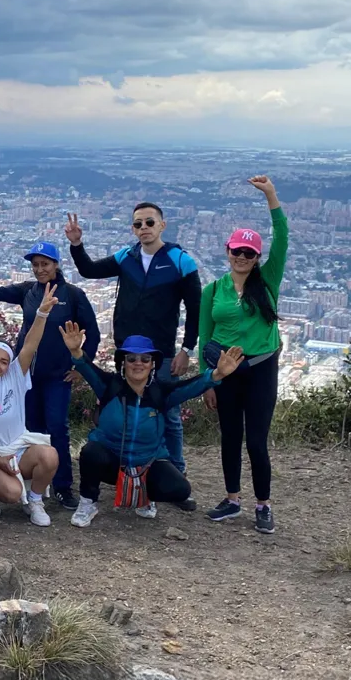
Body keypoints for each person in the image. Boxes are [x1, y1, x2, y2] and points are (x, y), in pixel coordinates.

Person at [65, 201, 202, 508]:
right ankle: (125, 467)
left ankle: (174, 471)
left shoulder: (180, 261)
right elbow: (89, 270)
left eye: (149, 222)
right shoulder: (126, 257)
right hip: (127, 351)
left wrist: (186, 349)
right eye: (138, 224)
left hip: (160, 351)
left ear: (162, 225)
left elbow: (195, 309)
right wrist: (76, 244)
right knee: (119, 406)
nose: (144, 228)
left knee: (168, 412)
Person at [59, 322, 244, 528]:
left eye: (145, 359)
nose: (138, 363)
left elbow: (192, 386)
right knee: (91, 452)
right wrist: (75, 351)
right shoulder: (109, 386)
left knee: (180, 489)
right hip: (111, 461)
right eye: (131, 358)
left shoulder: (160, 393)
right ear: (123, 362)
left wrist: (217, 374)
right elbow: (87, 367)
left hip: (147, 463)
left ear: (152, 364)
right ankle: (88, 502)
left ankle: (145, 496)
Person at [0, 236, 98, 509]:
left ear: (56, 265)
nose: (40, 269)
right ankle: (29, 483)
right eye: (36, 265)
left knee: (57, 428)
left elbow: (93, 333)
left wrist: (82, 367)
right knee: (29, 429)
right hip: (25, 375)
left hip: (57, 375)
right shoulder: (27, 291)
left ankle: (63, 486)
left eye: (45, 264)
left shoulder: (73, 295)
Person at [200, 176, 288, 535]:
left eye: (249, 253)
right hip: (225, 369)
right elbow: (205, 335)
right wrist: (209, 380)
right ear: (227, 251)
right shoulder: (213, 290)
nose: (241, 257)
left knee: (256, 441)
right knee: (230, 436)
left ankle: (263, 504)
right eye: (236, 250)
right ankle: (232, 498)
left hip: (261, 368)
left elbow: (282, 238)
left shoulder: (267, 281)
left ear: (257, 258)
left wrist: (271, 196)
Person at [0, 282, 62, 527]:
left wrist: (42, 313)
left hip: (19, 449)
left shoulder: (13, 379)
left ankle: (35, 500)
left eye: (3, 361)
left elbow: (30, 345)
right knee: (12, 493)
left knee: (49, 455)